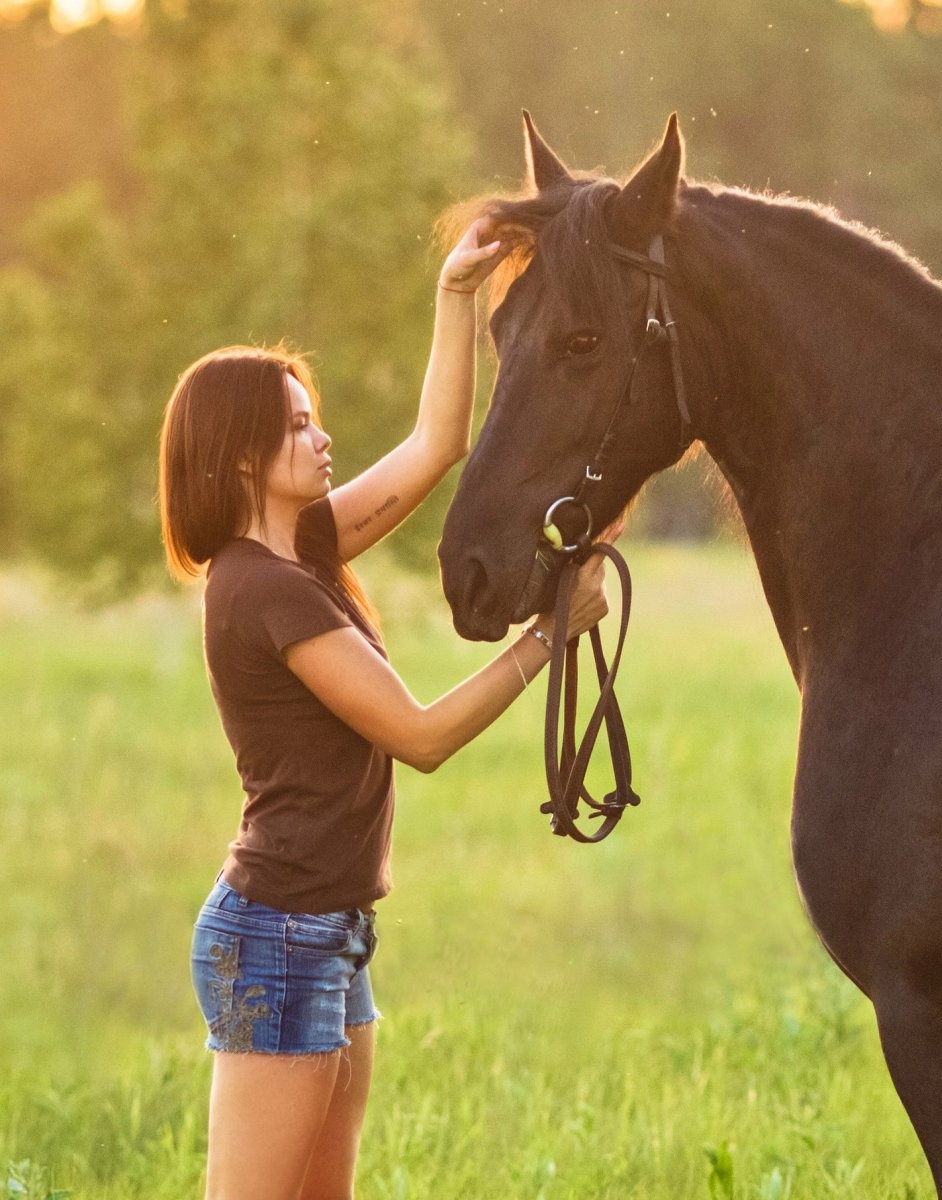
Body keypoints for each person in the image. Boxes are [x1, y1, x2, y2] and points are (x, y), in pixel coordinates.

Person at [157, 218, 612, 1200]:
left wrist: (455, 298)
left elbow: (437, 444)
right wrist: (550, 637)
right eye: (296, 425)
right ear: (238, 456)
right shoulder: (261, 590)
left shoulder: (307, 549)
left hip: (330, 929)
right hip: (278, 933)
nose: (321, 437)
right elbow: (421, 735)